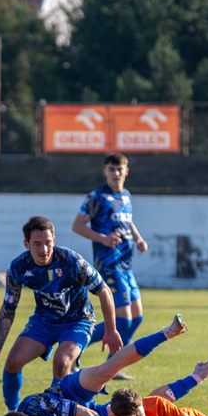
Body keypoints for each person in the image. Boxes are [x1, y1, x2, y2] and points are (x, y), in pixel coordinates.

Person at [0, 314, 208, 416]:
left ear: (27, 415)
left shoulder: (38, 405)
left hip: (67, 394)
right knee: (142, 408)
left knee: (106, 370)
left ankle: (166, 333)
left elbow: (86, 412)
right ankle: (199, 375)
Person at [0, 216, 123, 416]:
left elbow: (104, 291)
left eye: (48, 243)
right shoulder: (19, 267)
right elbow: (8, 309)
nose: (44, 249)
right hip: (44, 321)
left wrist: (111, 330)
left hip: (78, 321)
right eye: (37, 244)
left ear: (54, 241)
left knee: (61, 362)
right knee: (12, 362)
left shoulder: (71, 261)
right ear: (26, 244)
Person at [72, 152, 146, 380]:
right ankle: (73, 350)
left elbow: (128, 220)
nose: (116, 173)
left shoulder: (126, 196)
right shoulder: (96, 197)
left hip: (126, 264)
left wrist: (138, 237)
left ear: (126, 171)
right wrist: (102, 238)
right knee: (123, 320)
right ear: (105, 172)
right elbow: (78, 225)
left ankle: (112, 367)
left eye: (119, 169)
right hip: (109, 264)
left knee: (137, 318)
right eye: (111, 169)